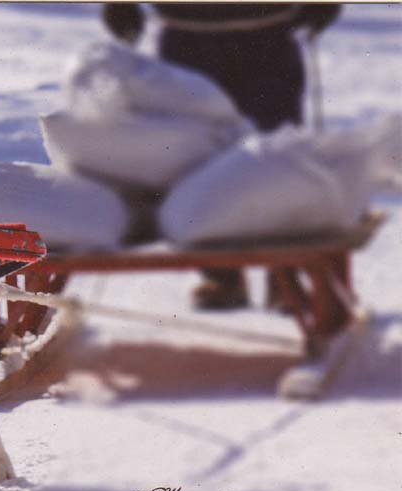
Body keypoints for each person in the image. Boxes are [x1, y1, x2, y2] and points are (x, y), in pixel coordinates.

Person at [102, 3, 341, 310]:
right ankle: (221, 273)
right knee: (196, 157)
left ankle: (285, 272)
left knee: (278, 157)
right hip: (185, 35)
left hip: (270, 31)